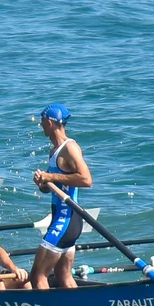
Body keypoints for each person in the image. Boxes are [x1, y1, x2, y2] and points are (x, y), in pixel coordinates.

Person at [29, 103, 93, 290]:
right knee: (63, 275)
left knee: (38, 276)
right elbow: (53, 186)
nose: (40, 125)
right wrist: (43, 184)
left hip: (65, 220)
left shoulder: (69, 147)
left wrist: (50, 176)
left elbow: (86, 180)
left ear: (49, 123)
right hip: (66, 220)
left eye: (42, 121)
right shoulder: (54, 151)